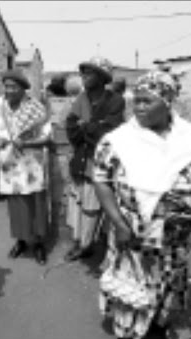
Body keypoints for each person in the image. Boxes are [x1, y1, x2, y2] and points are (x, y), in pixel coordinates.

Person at [94, 69, 191, 339]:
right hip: (132, 239)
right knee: (133, 299)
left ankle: (161, 326)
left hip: (175, 244)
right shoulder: (117, 141)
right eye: (135, 100)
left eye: (147, 101)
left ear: (168, 102)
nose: (138, 107)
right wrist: (118, 223)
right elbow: (101, 181)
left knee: (168, 299)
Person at [0, 69, 52, 265]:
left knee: (36, 203)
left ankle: (39, 243)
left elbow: (47, 137)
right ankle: (21, 240)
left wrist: (28, 144)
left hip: (31, 164)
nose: (9, 90)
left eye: (13, 87)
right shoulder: (0, 107)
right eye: (6, 86)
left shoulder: (36, 108)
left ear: (24, 89)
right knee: (16, 204)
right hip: (10, 164)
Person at [64, 56, 125, 262]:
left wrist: (86, 126)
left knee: (94, 205)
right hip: (81, 159)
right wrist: (91, 126)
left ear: (101, 77)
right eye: (83, 73)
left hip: (99, 163)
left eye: (89, 73)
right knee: (79, 203)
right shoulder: (81, 99)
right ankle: (81, 241)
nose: (84, 77)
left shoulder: (115, 100)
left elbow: (107, 134)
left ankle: (88, 244)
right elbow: (71, 129)